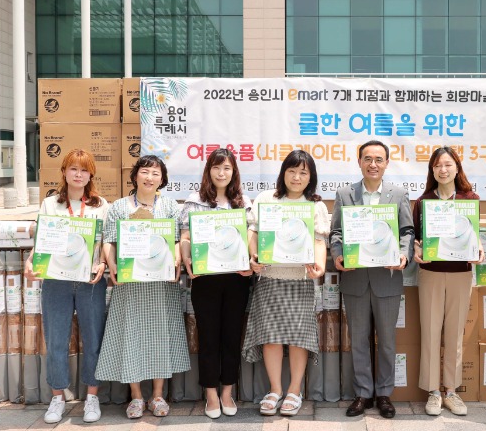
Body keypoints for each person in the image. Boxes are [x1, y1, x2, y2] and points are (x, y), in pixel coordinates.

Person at [95, 155, 190, 419]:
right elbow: (109, 240)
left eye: (156, 173)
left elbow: (175, 239)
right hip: (130, 284)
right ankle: (136, 396)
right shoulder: (119, 207)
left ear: (163, 179)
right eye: (145, 172)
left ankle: (157, 394)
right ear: (135, 175)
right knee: (131, 333)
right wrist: (112, 265)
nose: (150, 177)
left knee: (160, 334)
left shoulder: (170, 206)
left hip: (161, 284)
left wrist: (177, 258)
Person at [330, 140, 414, 419]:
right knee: (359, 339)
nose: (373, 164)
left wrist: (403, 254)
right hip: (355, 278)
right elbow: (336, 232)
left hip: (387, 278)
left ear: (387, 163)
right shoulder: (345, 194)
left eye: (379, 159)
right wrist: (339, 254)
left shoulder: (399, 194)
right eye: (368, 158)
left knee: (388, 340)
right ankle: (363, 393)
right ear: (359, 162)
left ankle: (384, 394)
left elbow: (406, 231)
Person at [24, 149, 109, 424]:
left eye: (84, 170)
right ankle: (58, 397)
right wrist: (30, 261)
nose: (78, 174)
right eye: (73, 168)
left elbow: (107, 244)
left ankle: (92, 397)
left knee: (93, 339)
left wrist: (103, 265)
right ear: (64, 172)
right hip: (56, 280)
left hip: (90, 281)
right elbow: (41, 242)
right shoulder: (50, 205)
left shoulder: (101, 205)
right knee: (57, 340)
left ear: (91, 174)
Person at [243, 149, 328, 417]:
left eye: (303, 172)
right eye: (292, 170)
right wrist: (253, 256)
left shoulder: (315, 205)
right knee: (271, 337)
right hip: (270, 277)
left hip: (300, 280)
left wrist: (321, 265)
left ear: (310, 177)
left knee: (298, 338)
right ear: (283, 173)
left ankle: (294, 390)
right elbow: (253, 232)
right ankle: (275, 389)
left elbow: (318, 240)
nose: (297, 176)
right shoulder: (267, 199)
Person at [178, 149, 254, 418]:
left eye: (227, 168)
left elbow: (251, 237)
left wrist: (250, 261)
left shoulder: (243, 201)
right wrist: (187, 261)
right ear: (208, 170)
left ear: (234, 172)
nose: (222, 173)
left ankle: (227, 392)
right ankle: (210, 393)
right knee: (208, 337)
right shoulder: (195, 201)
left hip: (237, 279)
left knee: (232, 336)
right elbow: (184, 236)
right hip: (205, 279)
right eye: (217, 167)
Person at [412, 146, 484, 417]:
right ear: (432, 171)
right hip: (430, 273)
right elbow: (417, 238)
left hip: (461, 273)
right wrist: (418, 250)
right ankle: (432, 391)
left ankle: (451, 390)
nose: (443, 170)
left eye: (447, 165)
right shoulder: (423, 201)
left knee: (454, 334)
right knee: (430, 331)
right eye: (437, 166)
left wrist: (478, 247)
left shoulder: (470, 198)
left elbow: (475, 233)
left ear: (457, 167)